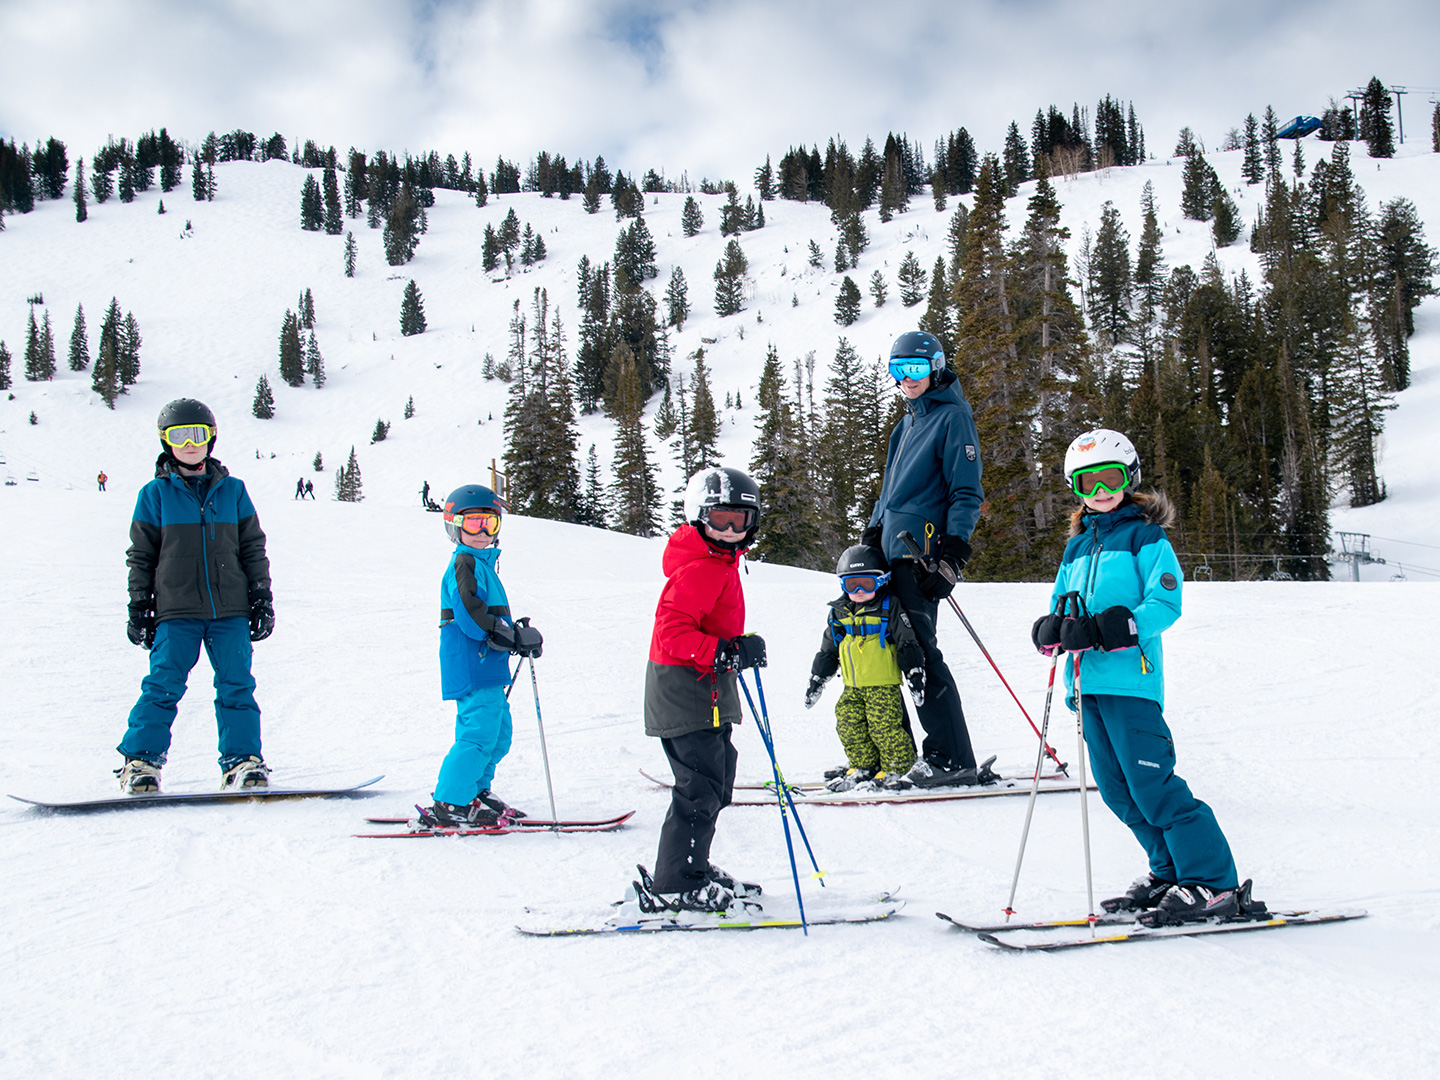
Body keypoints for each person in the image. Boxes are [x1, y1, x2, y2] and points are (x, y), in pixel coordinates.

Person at [1031, 429, 1250, 926]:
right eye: (1087, 482)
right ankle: (1170, 871)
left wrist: (1121, 625)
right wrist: (1053, 630)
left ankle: (1214, 883)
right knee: (1117, 791)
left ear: (1128, 479)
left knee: (1155, 787)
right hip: (1086, 686)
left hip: (1132, 681)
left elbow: (1165, 602)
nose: (1099, 490)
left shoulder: (1146, 538)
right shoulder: (1075, 548)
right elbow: (1061, 607)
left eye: (1109, 478)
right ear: (1076, 488)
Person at [116, 399, 275, 793]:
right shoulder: (154, 494)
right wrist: (140, 606)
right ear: (166, 442)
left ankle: (242, 761)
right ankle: (141, 762)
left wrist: (260, 597)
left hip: (230, 609)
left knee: (236, 684)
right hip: (177, 609)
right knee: (163, 684)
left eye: (198, 435)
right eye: (179, 436)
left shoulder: (233, 491)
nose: (190, 444)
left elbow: (253, 547)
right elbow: (141, 554)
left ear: (211, 438)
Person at [635, 467, 767, 914]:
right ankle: (677, 883)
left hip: (704, 688)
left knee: (715, 779)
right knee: (699, 788)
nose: (730, 531)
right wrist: (725, 651)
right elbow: (672, 632)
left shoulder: (717, 564)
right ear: (698, 517)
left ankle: (693, 865)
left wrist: (732, 650)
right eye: (719, 520)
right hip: (687, 690)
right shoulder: (700, 570)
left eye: (740, 521)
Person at [861, 330, 985, 788]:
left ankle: (953, 760)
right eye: (898, 370)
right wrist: (873, 533)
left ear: (935, 367)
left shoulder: (953, 419)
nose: (907, 379)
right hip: (892, 554)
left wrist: (953, 555)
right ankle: (902, 753)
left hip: (922, 556)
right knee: (892, 652)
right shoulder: (907, 423)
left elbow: (966, 492)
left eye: (915, 369)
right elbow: (890, 493)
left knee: (921, 654)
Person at [421, 484, 542, 828]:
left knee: (498, 731)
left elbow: (489, 618)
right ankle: (450, 801)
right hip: (471, 662)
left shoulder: (482, 563)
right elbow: (471, 615)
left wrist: (517, 637)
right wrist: (505, 634)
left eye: (490, 523)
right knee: (478, 732)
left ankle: (475, 790)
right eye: (474, 523)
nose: (483, 531)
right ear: (455, 525)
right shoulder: (465, 562)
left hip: (487, 662)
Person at [804, 544, 923, 791]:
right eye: (850, 585)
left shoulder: (889, 608)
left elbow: (907, 642)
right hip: (852, 686)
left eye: (866, 584)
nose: (858, 591)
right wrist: (817, 679)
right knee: (848, 722)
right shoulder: (839, 613)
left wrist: (914, 673)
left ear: (881, 581)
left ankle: (897, 766)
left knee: (884, 727)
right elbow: (828, 649)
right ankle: (864, 765)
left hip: (882, 684)